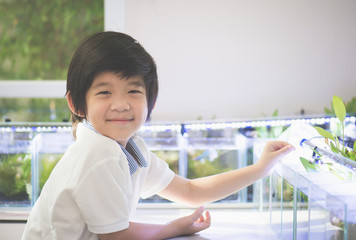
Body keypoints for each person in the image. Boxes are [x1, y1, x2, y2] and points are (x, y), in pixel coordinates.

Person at [22, 31, 294, 240]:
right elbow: (115, 235)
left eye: (133, 91)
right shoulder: (98, 153)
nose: (121, 104)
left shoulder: (130, 148)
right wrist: (172, 227)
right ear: (77, 104)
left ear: (151, 102)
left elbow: (190, 191)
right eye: (105, 92)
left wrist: (260, 169)